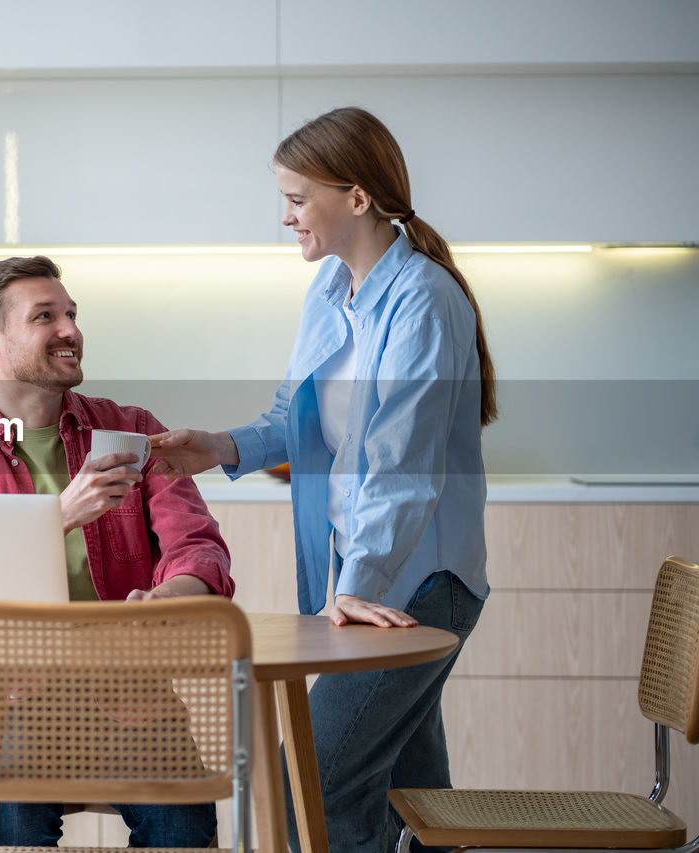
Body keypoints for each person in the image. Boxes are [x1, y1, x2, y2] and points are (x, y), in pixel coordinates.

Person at [151, 107, 495, 853]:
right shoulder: (331, 290)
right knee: (412, 799)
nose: (285, 216)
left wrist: (356, 587)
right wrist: (215, 445)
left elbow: (402, 468)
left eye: (298, 198)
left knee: (311, 782)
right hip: (369, 581)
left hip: (417, 584)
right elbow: (294, 415)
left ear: (358, 198)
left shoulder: (423, 301)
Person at [0, 254, 234, 847]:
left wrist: (169, 596)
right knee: (18, 822)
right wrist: (57, 517)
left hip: (129, 691)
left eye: (72, 314)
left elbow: (197, 546)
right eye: (45, 317)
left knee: (186, 826)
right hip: (1, 700)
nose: (70, 330)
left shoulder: (131, 428)